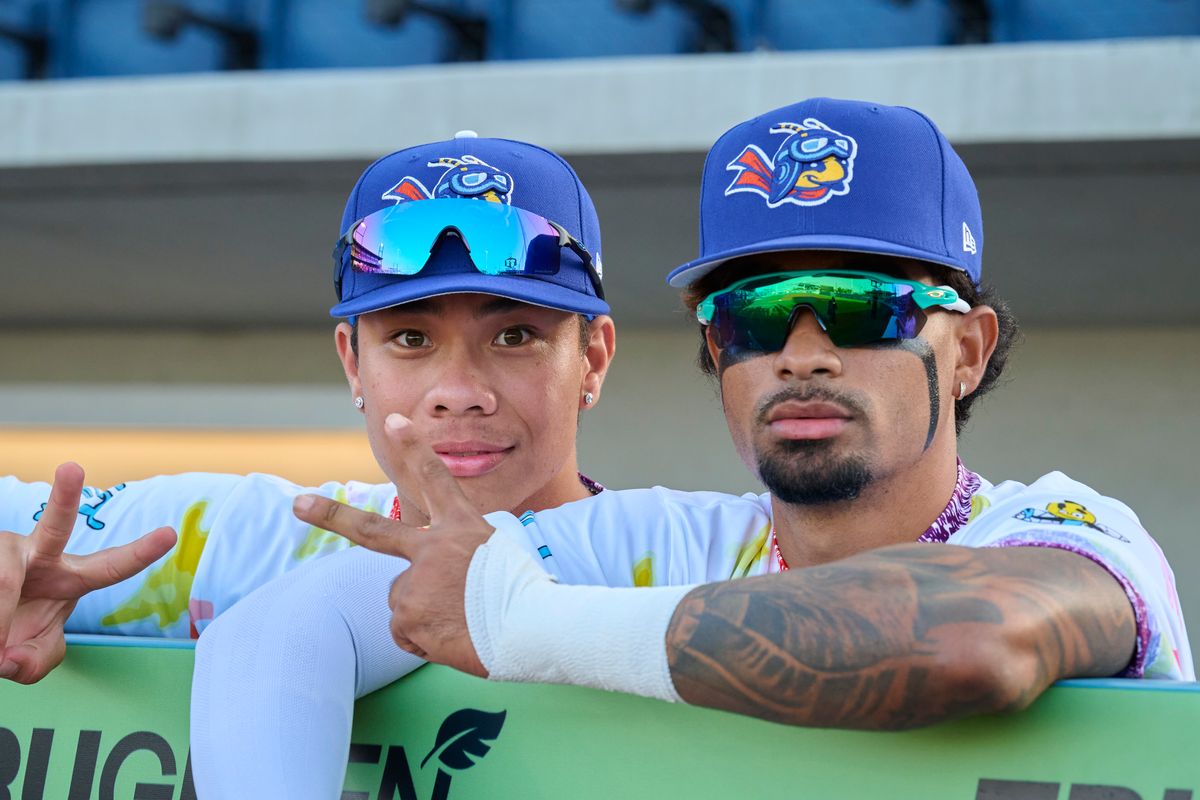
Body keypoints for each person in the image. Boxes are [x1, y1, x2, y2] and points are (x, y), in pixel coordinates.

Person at [190, 97, 1191, 796]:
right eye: (750, 319)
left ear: (966, 349)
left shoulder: (1065, 525)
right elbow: (279, 633)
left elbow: (971, 638)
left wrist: (526, 622)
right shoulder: (658, 543)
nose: (802, 356)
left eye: (854, 309)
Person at [0, 131, 616, 683]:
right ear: (353, 362)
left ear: (591, 357)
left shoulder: (685, 562)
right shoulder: (235, 540)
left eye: (514, 337)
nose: (459, 392)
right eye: (411, 339)